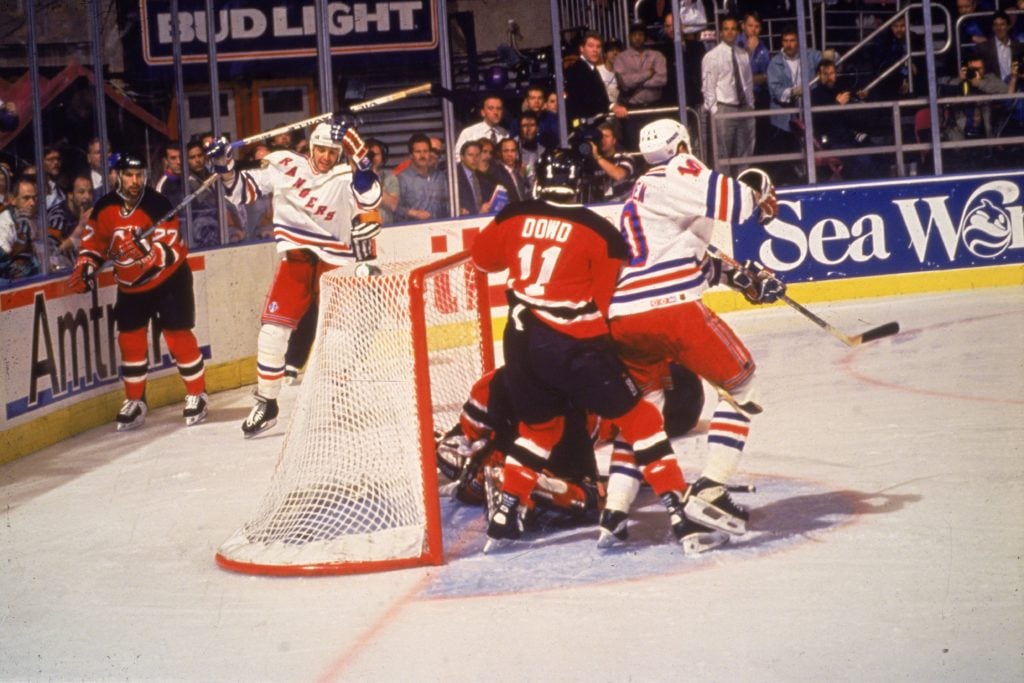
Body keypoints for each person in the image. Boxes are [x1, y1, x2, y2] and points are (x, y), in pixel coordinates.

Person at [469, 147, 697, 553]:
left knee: (539, 429)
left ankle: (506, 512)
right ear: (583, 182)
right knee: (641, 417)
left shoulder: (514, 214)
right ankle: (679, 508)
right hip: (574, 345)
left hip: (520, 340)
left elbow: (482, 261)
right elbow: (606, 302)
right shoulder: (601, 231)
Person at [606, 119, 783, 553]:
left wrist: (739, 277)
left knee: (644, 413)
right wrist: (759, 192)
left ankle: (613, 511)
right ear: (681, 144)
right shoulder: (678, 170)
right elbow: (737, 201)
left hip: (625, 317)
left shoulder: (642, 193)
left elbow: (684, 259)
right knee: (742, 387)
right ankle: (711, 489)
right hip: (671, 310)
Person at [206, 119, 381, 436]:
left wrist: (362, 159)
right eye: (321, 150)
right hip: (297, 259)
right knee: (272, 332)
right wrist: (224, 166)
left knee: (340, 338)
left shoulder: (345, 176)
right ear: (311, 147)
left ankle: (338, 400)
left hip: (336, 262)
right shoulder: (285, 164)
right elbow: (240, 192)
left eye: (333, 151)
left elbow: (370, 199)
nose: (326, 157)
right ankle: (267, 402)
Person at [67, 153, 208, 430]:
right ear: (116, 176)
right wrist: (86, 264)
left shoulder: (157, 203)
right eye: (129, 175)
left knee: (178, 336)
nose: (135, 180)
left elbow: (172, 246)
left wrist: (148, 250)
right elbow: (94, 243)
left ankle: (197, 394)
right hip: (131, 285)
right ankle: (135, 400)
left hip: (170, 279)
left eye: (139, 174)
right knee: (130, 340)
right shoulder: (105, 207)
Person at [702, 14, 755, 174]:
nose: (730, 32)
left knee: (745, 154)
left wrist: (750, 107)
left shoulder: (743, 54)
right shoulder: (712, 56)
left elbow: (747, 83)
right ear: (721, 32)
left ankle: (742, 188)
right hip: (724, 109)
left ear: (738, 32)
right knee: (723, 157)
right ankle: (724, 193)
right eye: (726, 29)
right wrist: (715, 111)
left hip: (744, 108)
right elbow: (708, 87)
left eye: (733, 29)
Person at [767, 25, 831, 151]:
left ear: (798, 41)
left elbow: (831, 62)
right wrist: (793, 92)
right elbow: (774, 90)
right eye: (785, 41)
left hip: (809, 110)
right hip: (784, 118)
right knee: (788, 151)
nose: (789, 44)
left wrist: (830, 57)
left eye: (792, 40)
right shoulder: (775, 62)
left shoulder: (810, 55)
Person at [811, 60, 874, 179]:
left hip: (848, 138)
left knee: (876, 151)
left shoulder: (840, 90)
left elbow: (852, 117)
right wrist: (836, 105)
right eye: (826, 74)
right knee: (861, 159)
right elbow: (819, 121)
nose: (830, 77)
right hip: (829, 142)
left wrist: (861, 99)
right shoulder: (815, 95)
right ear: (818, 75)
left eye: (832, 73)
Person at [564, 32, 626, 124]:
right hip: (584, 125)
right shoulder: (576, 70)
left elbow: (600, 98)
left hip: (595, 122)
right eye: (591, 46)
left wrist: (612, 106)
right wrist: (611, 106)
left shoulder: (592, 68)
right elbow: (589, 102)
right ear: (581, 48)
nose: (595, 50)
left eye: (598, 47)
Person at [395, 133, 450, 221]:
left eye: (426, 151)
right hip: (414, 231)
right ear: (411, 155)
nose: (422, 156)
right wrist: (413, 213)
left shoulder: (440, 176)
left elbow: (447, 203)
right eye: (418, 152)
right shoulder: (402, 179)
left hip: (440, 229)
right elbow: (395, 208)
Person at [46, 174, 93, 271]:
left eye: (90, 192)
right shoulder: (57, 217)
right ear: (70, 194)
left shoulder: (91, 212)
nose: (87, 196)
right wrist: (80, 227)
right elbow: (53, 253)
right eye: (81, 192)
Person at [0, 178, 40, 282]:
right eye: (26, 198)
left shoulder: (37, 218)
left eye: (34, 198)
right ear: (13, 200)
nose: (32, 203)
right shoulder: (4, 223)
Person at [587, 121, 635, 201]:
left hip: (623, 205)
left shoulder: (625, 157)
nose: (603, 140)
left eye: (606, 136)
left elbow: (619, 175)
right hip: (599, 207)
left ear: (614, 140)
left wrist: (597, 157)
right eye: (600, 137)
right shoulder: (591, 161)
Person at [455, 140, 496, 215]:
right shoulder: (453, 177)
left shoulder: (483, 178)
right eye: (470, 155)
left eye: (477, 155)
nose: (474, 159)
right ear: (462, 157)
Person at [365, 138, 398, 224]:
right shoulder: (352, 178)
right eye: (370, 155)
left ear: (382, 156)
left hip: (387, 228)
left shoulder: (390, 178)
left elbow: (393, 205)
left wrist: (372, 181)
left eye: (376, 154)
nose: (373, 158)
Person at [492, 137, 530, 203]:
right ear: (500, 153)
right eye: (506, 151)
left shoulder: (519, 170)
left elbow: (527, 192)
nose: (509, 154)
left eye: (513, 150)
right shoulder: (496, 173)